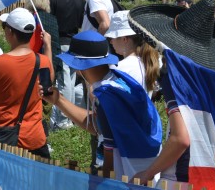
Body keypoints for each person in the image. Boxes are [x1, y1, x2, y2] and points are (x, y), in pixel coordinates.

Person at [127, 0, 215, 190]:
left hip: (176, 183)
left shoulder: (175, 77)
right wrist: (201, 159)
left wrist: (148, 173)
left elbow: (181, 139)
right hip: (206, 182)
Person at [46, 31, 162, 179]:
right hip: (145, 169)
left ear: (79, 66)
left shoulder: (107, 96)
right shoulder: (116, 80)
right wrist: (58, 100)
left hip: (129, 178)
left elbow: (110, 155)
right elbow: (99, 126)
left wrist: (101, 189)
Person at [0, 8, 53, 158]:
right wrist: (47, 46)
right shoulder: (43, 61)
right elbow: (49, 84)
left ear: (10, 32)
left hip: (3, 140)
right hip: (34, 138)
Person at [49, 0, 85, 130]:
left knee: (64, 81)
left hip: (61, 43)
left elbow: (51, 22)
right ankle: (69, 117)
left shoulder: (54, 0)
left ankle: (65, 118)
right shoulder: (79, 0)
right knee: (70, 79)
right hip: (75, 42)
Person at [103, 11, 160, 96]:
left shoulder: (119, 68)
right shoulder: (149, 61)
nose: (111, 42)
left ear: (124, 39)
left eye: (112, 37)